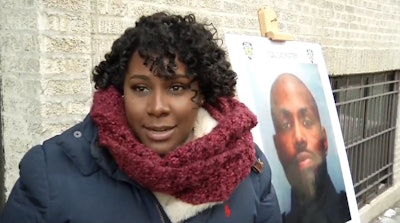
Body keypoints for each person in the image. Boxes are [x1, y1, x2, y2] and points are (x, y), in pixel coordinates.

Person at [0, 12, 282, 223]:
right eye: (141, 88)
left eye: (176, 87)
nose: (157, 107)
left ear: (204, 92)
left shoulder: (248, 166)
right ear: (120, 90)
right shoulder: (50, 173)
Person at [270, 73, 351, 223]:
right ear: (277, 149)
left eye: (307, 122)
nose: (299, 137)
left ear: (325, 140)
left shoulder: (349, 209)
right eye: (286, 125)